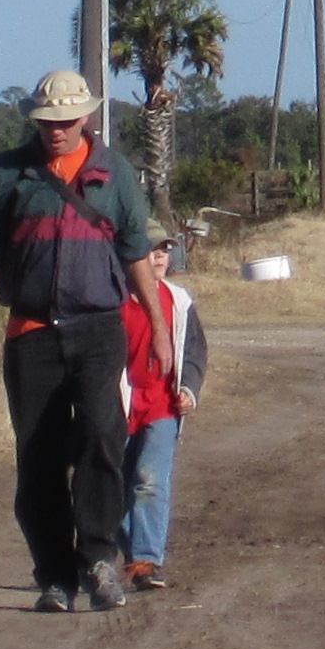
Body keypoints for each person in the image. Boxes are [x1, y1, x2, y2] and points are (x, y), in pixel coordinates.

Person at [0, 71, 167, 614]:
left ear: (86, 117)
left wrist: (159, 329)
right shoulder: (6, 175)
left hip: (98, 329)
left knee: (100, 438)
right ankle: (53, 576)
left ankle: (99, 559)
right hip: (31, 334)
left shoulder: (114, 173)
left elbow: (136, 252)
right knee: (39, 456)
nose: (57, 130)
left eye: (67, 121)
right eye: (47, 121)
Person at [116, 234, 209, 592]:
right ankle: (130, 556)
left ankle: (146, 559)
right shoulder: (112, 301)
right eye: (150, 251)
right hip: (119, 405)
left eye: (164, 251)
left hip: (162, 404)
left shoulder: (179, 301)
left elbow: (195, 352)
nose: (158, 258)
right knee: (117, 484)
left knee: (150, 480)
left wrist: (188, 389)